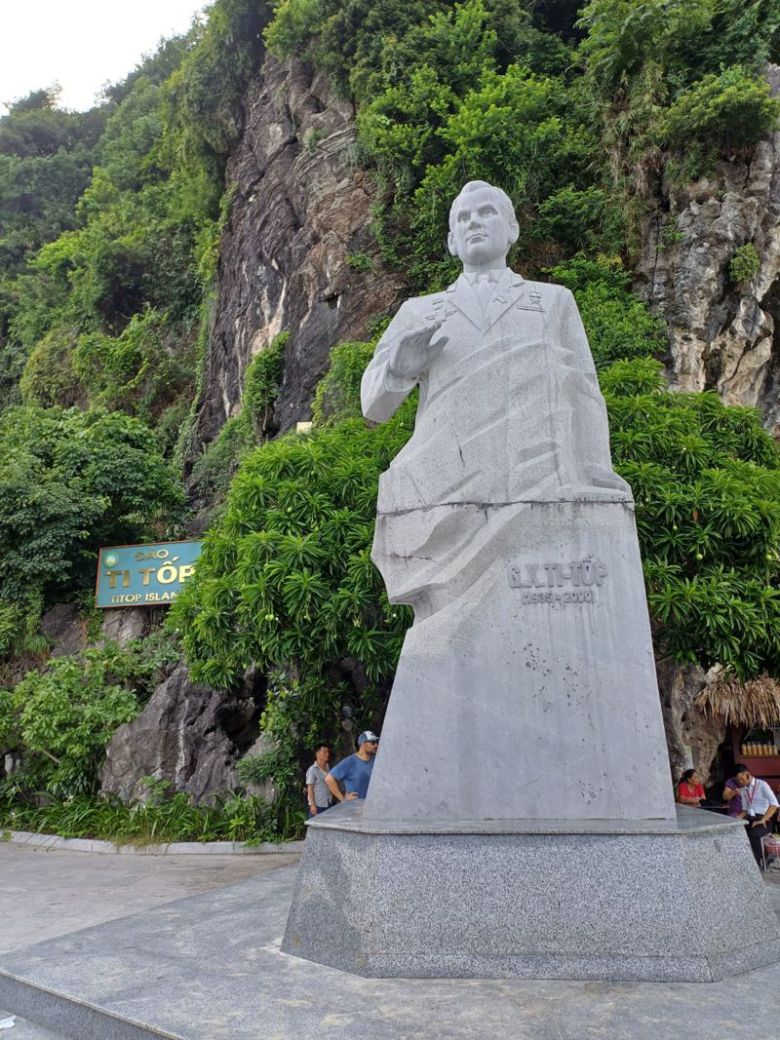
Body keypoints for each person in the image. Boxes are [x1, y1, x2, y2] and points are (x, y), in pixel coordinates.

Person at [724, 764, 779, 866]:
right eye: (738, 780)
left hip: (764, 819)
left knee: (753, 834)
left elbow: (774, 804)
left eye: (742, 779)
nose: (740, 782)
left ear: (748, 774)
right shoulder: (743, 789)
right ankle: (742, 860)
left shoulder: (762, 785)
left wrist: (762, 820)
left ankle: (759, 862)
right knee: (735, 831)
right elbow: (745, 809)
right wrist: (737, 819)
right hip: (750, 817)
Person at [325, 731, 379, 803]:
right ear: (363, 744)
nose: (376, 745)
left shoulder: (376, 760)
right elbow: (329, 779)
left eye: (376, 742)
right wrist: (343, 799)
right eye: (373, 743)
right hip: (355, 807)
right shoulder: (350, 761)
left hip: (373, 804)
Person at [305, 743, 332, 818]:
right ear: (317, 754)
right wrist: (313, 805)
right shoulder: (312, 770)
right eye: (324, 752)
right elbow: (310, 788)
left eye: (328, 752)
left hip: (328, 802)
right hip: (317, 804)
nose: (327, 754)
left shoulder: (328, 767)